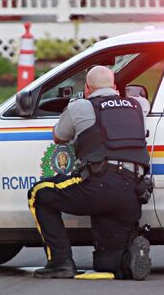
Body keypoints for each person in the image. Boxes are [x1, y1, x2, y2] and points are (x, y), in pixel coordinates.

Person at [27, 65, 152, 279]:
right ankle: (127, 258)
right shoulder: (138, 105)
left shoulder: (81, 107)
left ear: (87, 88)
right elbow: (138, 101)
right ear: (114, 87)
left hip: (100, 186)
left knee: (39, 193)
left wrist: (74, 105)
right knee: (106, 263)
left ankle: (60, 262)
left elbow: (59, 136)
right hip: (133, 193)